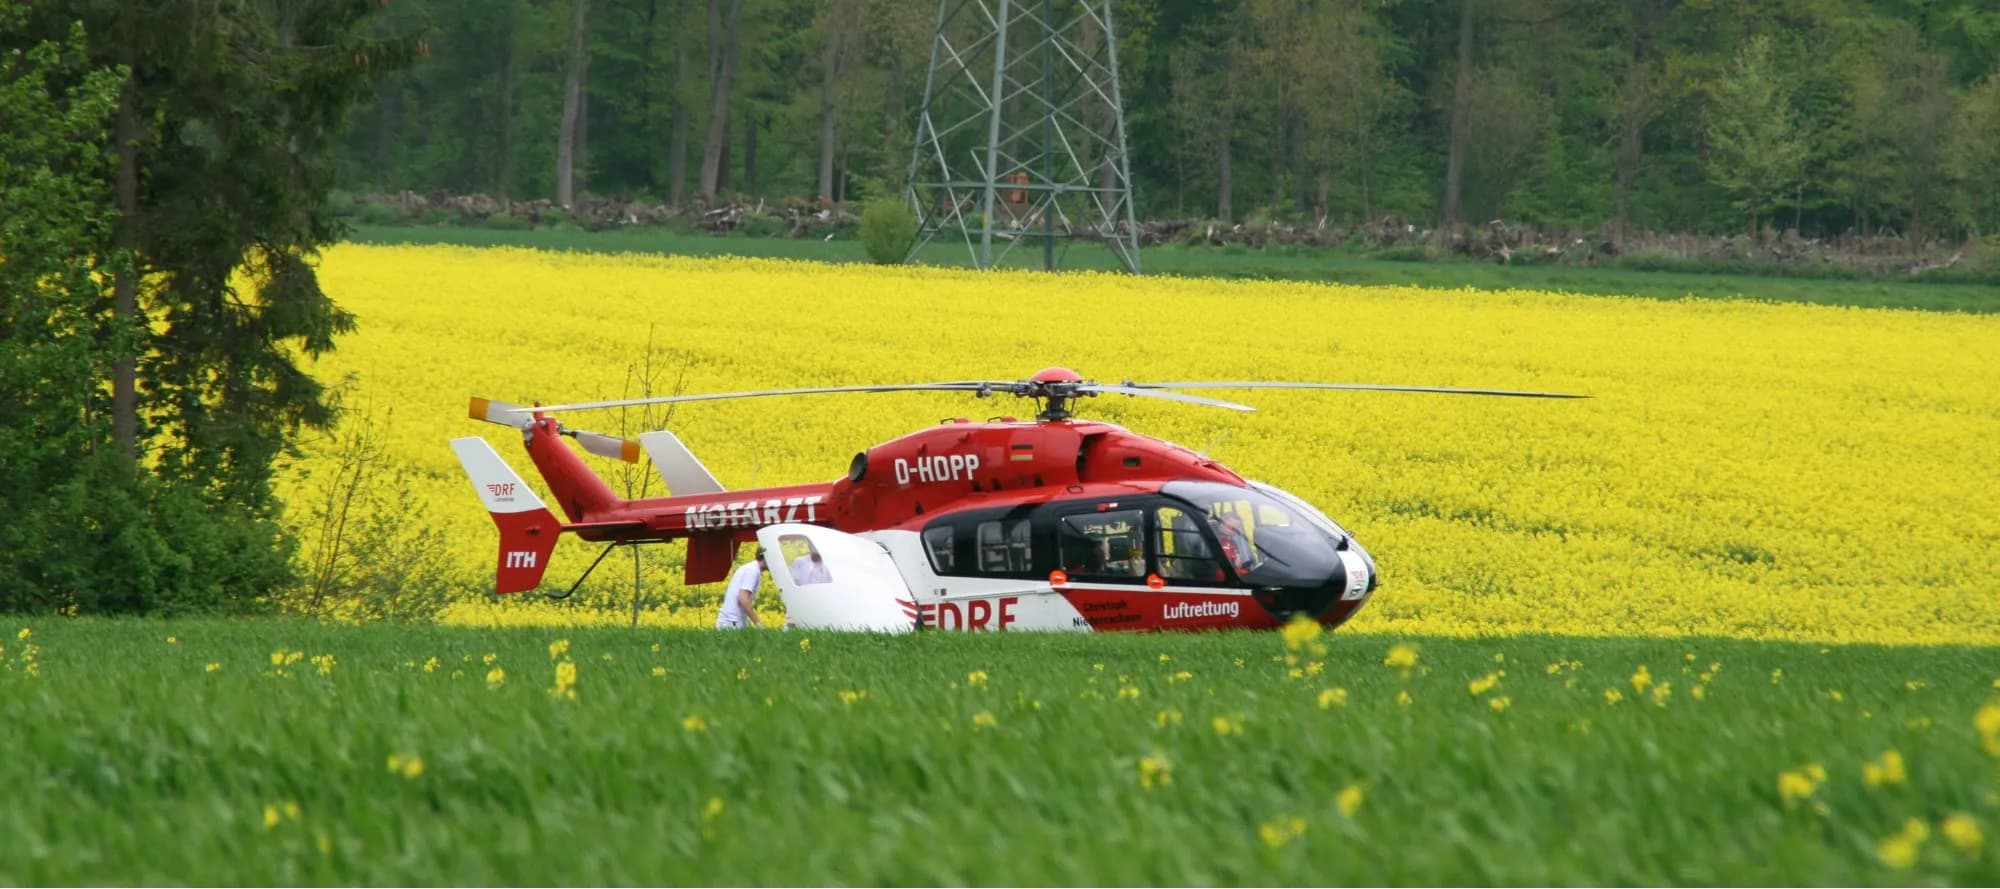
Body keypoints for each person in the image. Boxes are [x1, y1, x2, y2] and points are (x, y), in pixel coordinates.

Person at [717, 548, 767, 629]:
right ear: (765, 558)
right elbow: (743, 597)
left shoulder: (748, 567)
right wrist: (758, 623)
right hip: (733, 621)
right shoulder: (753, 571)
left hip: (732, 619)